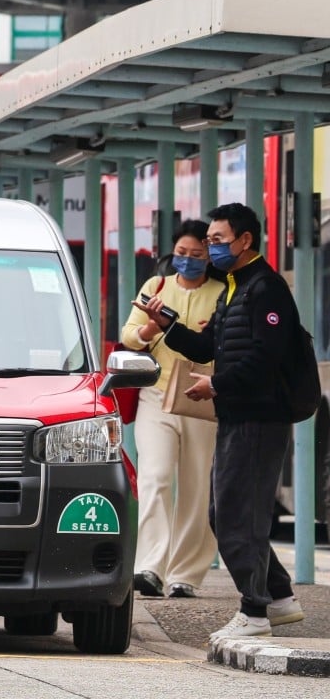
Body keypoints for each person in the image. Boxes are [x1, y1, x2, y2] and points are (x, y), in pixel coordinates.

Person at [136, 203, 305, 638]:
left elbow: (266, 355)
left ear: (245, 240)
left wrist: (217, 384)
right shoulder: (234, 288)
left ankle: (254, 612)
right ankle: (280, 598)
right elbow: (207, 345)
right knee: (228, 512)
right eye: (208, 241)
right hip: (236, 415)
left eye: (217, 240)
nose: (210, 249)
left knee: (236, 515)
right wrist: (165, 323)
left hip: (259, 418)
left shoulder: (266, 289)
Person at [120, 220, 223, 599]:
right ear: (172, 252)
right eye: (182, 253)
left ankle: (185, 574)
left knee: (196, 486)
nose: (188, 260)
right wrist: (149, 329)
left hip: (202, 398)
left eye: (197, 254)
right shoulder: (156, 286)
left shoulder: (222, 293)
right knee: (156, 477)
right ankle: (149, 567)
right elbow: (129, 335)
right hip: (156, 396)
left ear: (209, 257)